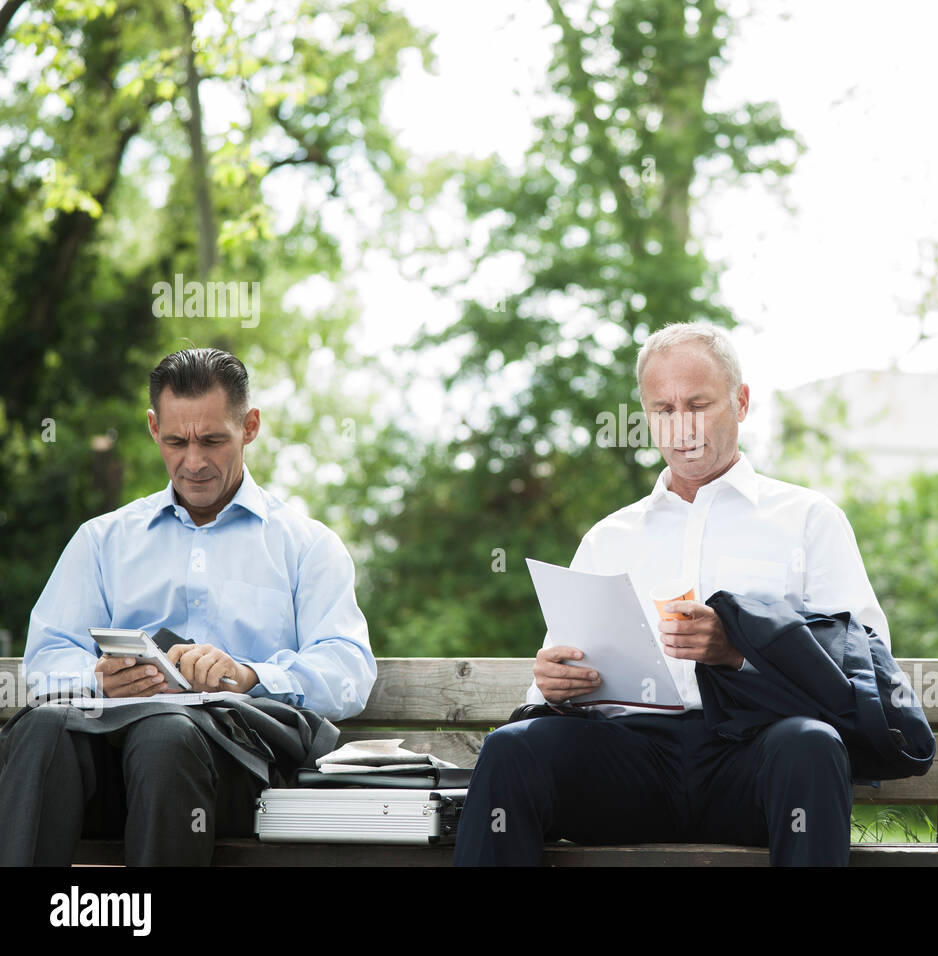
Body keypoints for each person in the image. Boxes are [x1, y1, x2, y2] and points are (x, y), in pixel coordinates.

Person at [453, 322, 891, 866]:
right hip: (632, 767)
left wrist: (738, 651)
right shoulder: (610, 537)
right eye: (663, 409)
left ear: (742, 402)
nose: (681, 425)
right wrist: (553, 683)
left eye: (698, 403)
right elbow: (553, 679)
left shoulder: (807, 519)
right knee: (512, 750)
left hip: (753, 761)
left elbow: (865, 658)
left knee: (810, 745)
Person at [0, 347, 376, 865]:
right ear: (154, 429)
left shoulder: (306, 545)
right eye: (176, 441)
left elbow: (349, 669)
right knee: (43, 727)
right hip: (110, 781)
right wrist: (97, 679)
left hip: (236, 777)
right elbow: (44, 662)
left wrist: (249, 674)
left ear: (250, 426)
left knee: (164, 733)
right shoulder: (102, 540)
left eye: (212, 440)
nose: (193, 462)